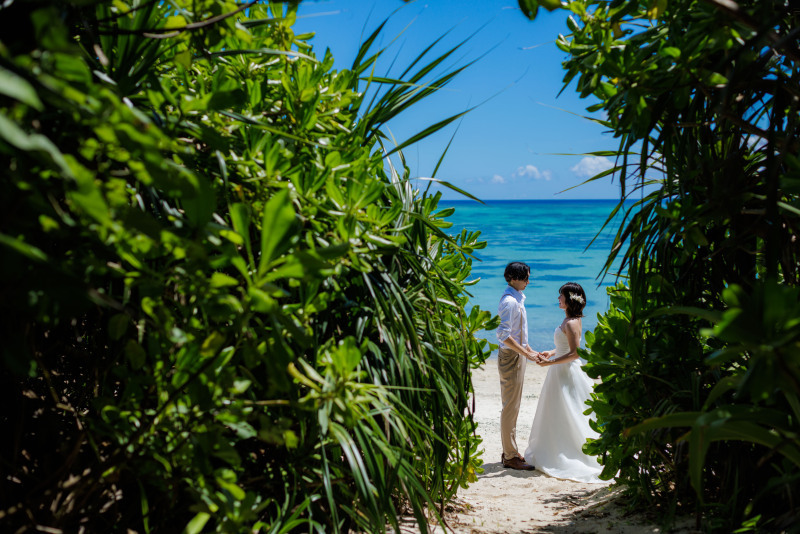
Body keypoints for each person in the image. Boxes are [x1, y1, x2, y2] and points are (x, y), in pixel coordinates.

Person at [523, 282, 606, 483]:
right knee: (560, 412)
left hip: (565, 371)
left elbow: (575, 353)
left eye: (561, 295)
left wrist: (549, 363)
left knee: (569, 411)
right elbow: (565, 347)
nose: (558, 299)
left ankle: (566, 452)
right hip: (560, 370)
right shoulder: (570, 319)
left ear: (569, 299)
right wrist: (551, 352)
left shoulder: (571, 322)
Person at [497, 262, 537, 470]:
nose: (528, 282)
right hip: (511, 356)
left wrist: (530, 351)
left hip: (517, 354)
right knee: (510, 407)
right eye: (525, 278)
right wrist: (525, 353)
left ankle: (510, 452)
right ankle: (510, 455)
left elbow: (519, 333)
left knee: (514, 405)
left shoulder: (517, 298)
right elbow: (503, 335)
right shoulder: (510, 302)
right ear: (513, 279)